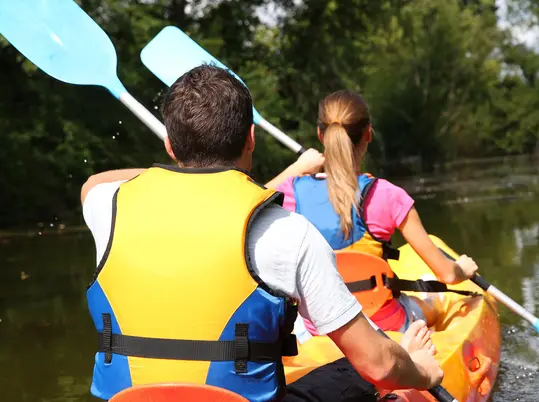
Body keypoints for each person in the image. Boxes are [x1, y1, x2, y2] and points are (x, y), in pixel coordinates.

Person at [80, 64, 442, 402]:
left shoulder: (106, 208)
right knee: (358, 369)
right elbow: (376, 364)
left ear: (170, 146)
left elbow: (94, 182)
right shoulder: (288, 231)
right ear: (251, 138)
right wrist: (423, 372)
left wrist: (176, 174)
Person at [272, 90, 479, 335]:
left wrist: (296, 168)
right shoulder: (388, 195)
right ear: (368, 134)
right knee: (435, 300)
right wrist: (462, 269)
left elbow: (248, 206)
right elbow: (446, 274)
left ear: (320, 135)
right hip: (384, 327)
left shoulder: (292, 192)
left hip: (320, 330)